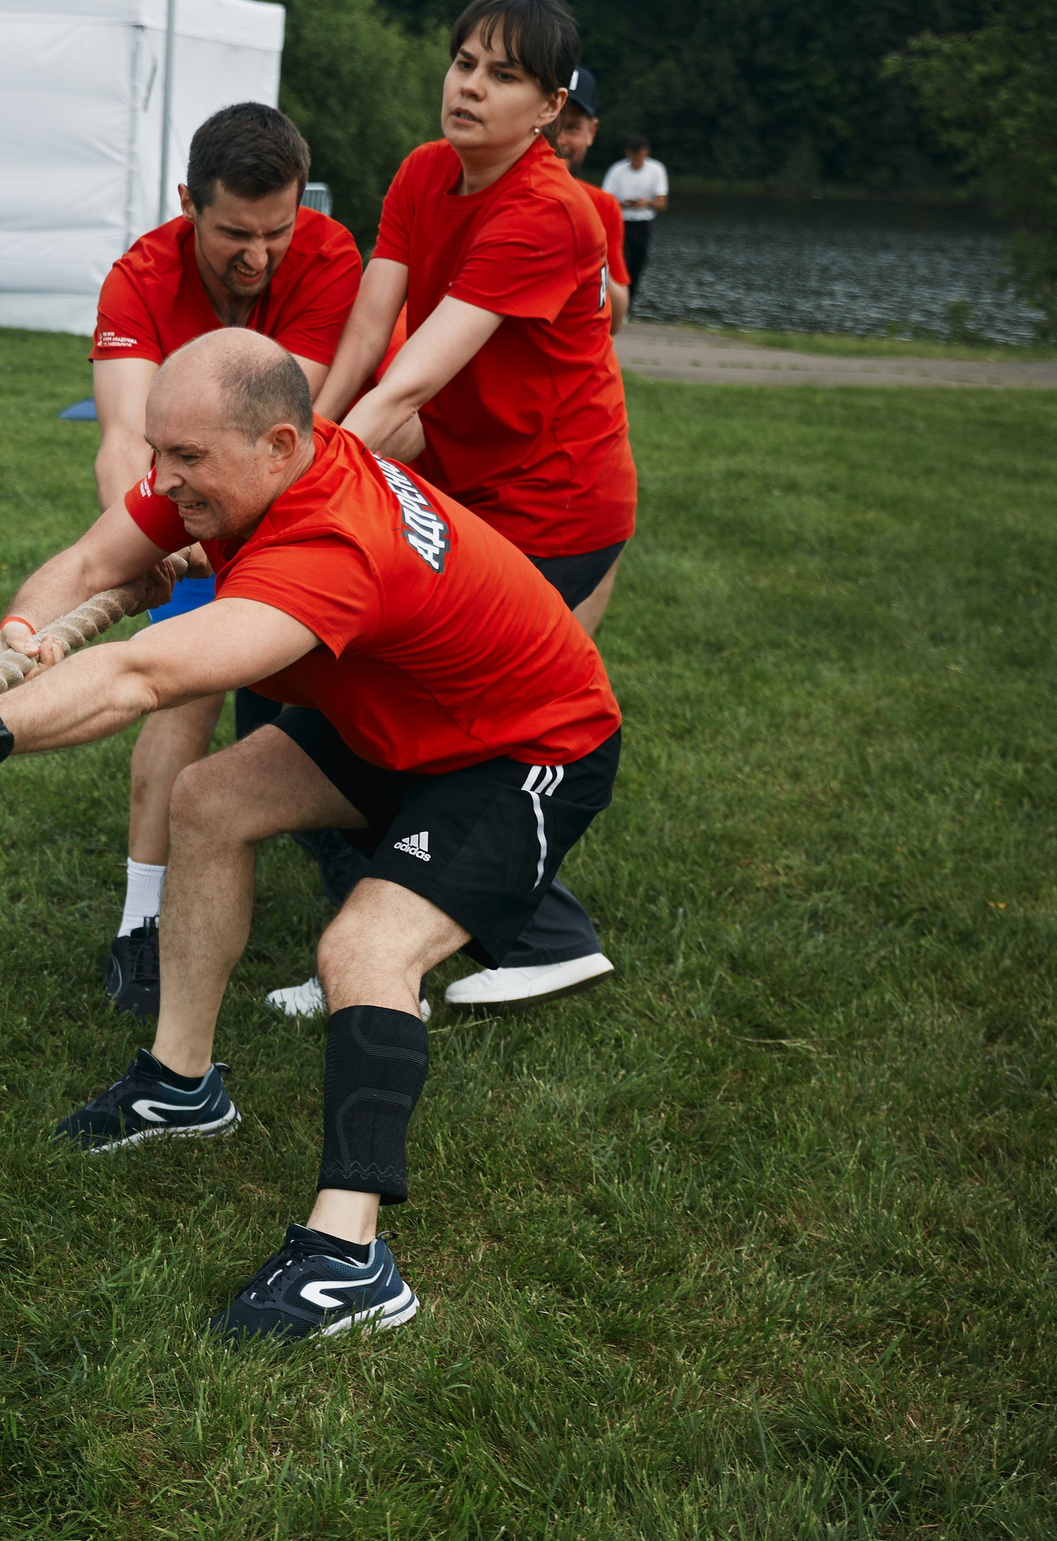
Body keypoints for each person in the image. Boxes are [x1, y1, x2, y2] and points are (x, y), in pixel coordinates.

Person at [0, 331, 620, 1339]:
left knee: (363, 947)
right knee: (210, 799)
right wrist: (13, 655)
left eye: (186, 460)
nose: (161, 482)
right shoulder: (236, 476)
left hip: (524, 746)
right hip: (400, 717)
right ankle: (182, 1086)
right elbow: (90, 560)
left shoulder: (334, 542)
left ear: (275, 444)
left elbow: (142, 675)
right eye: (156, 451)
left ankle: (350, 1257)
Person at [299, 0, 632, 1015]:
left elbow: (405, 386)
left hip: (555, 504)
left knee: (444, 719)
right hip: (469, 488)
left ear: (550, 107)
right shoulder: (420, 171)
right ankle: (367, 933)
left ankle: (530, 932)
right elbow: (366, 339)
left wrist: (296, 491)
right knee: (340, 682)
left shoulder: (547, 210)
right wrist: (297, 449)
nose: (468, 85)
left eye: (500, 75)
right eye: (461, 61)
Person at [86, 101, 362, 1016]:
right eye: (235, 234)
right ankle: (140, 925)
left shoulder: (328, 258)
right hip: (200, 495)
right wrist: (149, 546)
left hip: (309, 492)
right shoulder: (139, 276)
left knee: (340, 697)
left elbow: (285, 436)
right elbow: (127, 435)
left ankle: (378, 891)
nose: (258, 256)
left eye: (275, 230)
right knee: (180, 684)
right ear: (187, 204)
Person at [547, 65, 630, 329]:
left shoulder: (603, 206)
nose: (559, 141)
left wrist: (589, 245)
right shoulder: (498, 193)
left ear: (591, 132)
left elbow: (615, 320)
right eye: (552, 125)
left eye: (572, 128)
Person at [602, 134, 668, 296]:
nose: (637, 159)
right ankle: (615, 302)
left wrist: (646, 203)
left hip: (642, 224)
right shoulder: (617, 170)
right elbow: (605, 202)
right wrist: (622, 204)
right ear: (628, 153)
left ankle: (627, 305)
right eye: (634, 155)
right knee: (621, 264)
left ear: (646, 153)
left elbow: (662, 204)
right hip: (621, 223)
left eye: (640, 155)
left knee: (638, 266)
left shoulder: (656, 169)